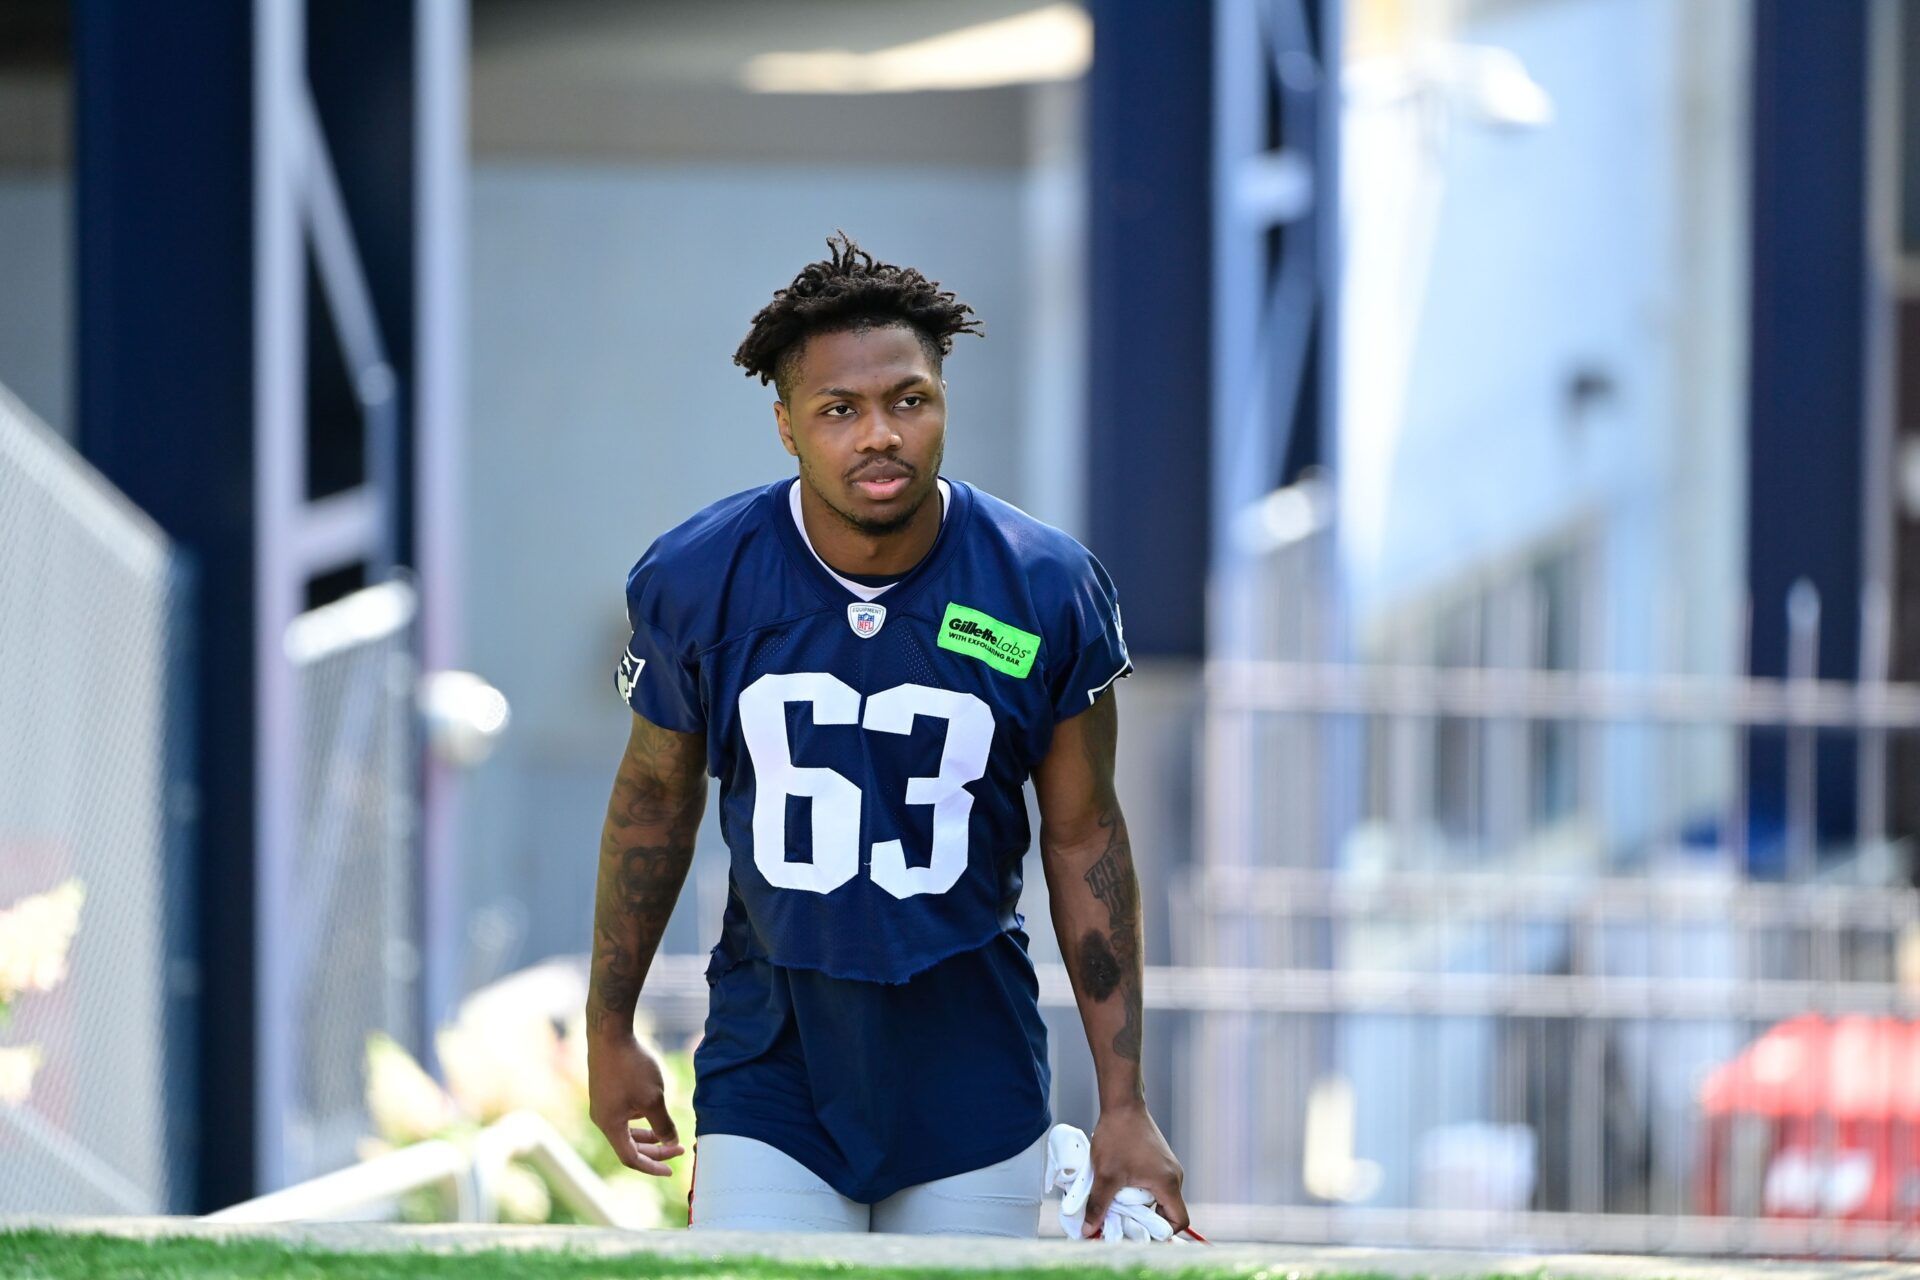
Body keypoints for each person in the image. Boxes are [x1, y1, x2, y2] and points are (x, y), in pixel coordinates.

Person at [584, 231, 1186, 1237]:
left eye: (908, 399)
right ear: (785, 425)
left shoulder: (1045, 585)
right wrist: (610, 1029)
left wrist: (1125, 1102)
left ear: (943, 399)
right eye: (840, 409)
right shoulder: (699, 577)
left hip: (969, 1067)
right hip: (774, 1055)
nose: (881, 434)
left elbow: (1085, 835)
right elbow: (651, 802)